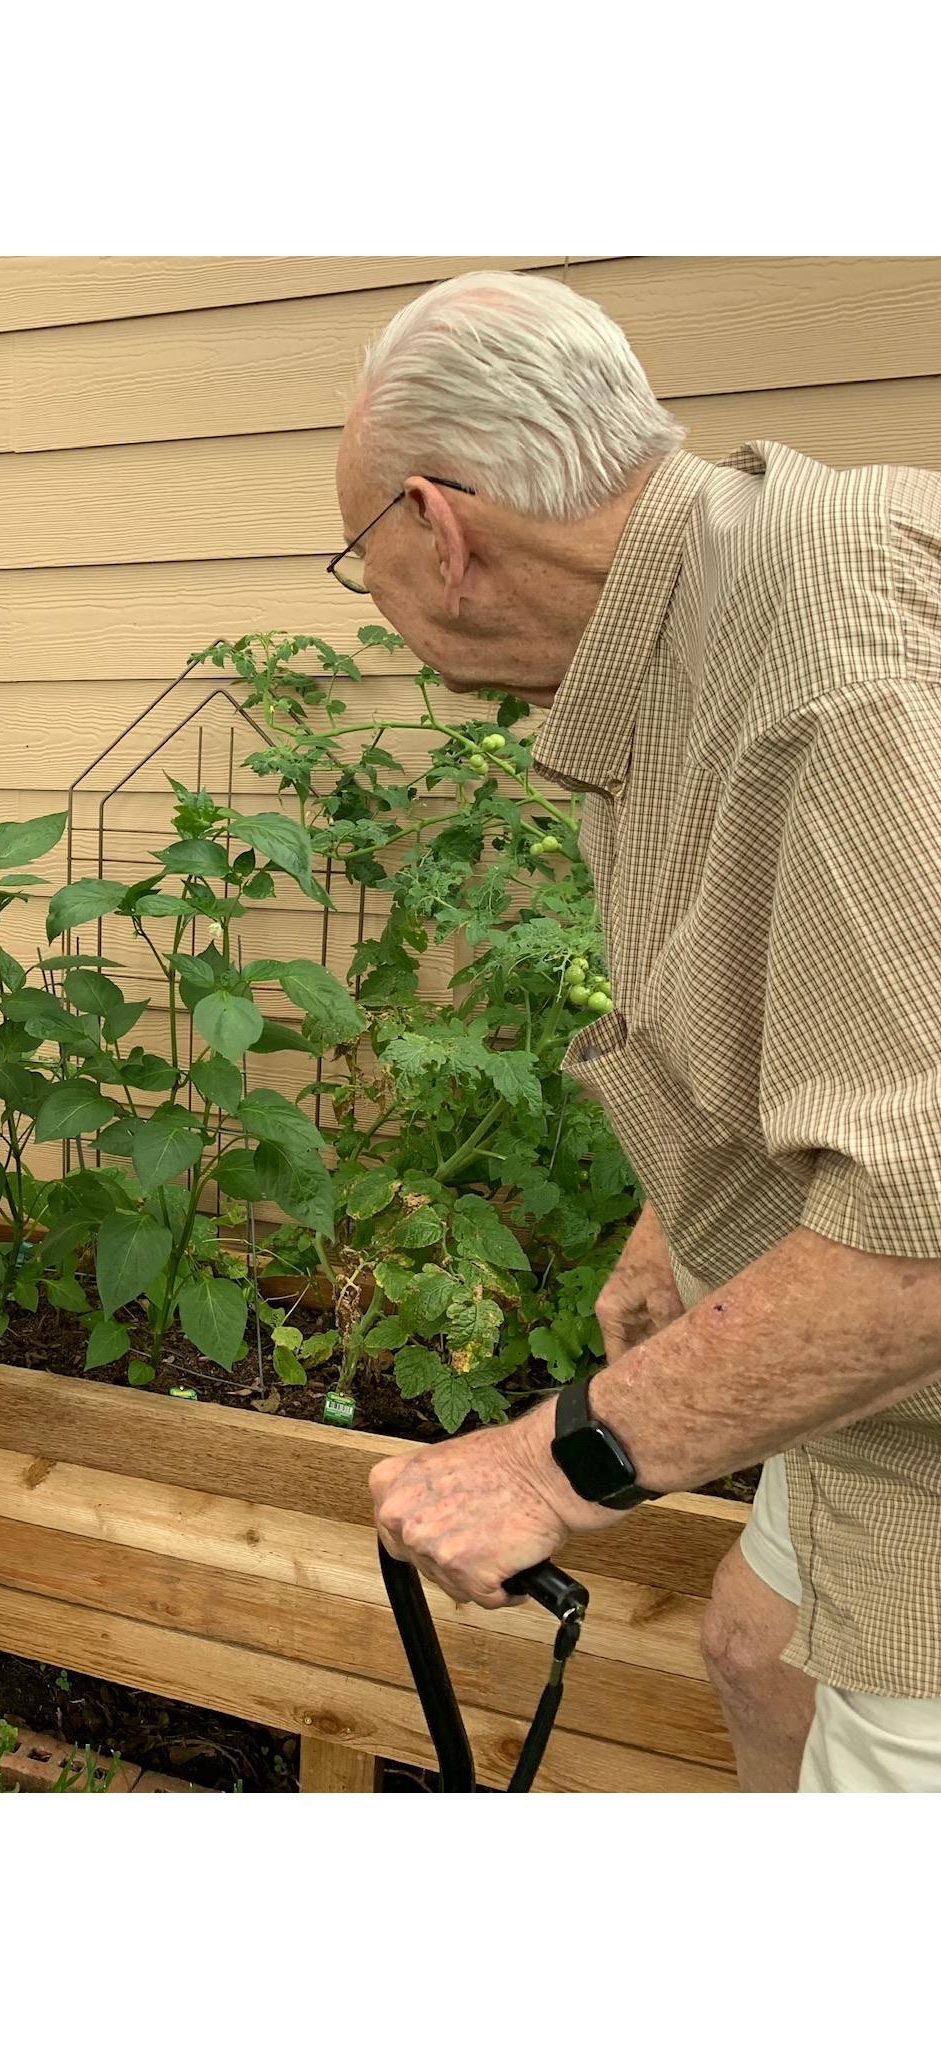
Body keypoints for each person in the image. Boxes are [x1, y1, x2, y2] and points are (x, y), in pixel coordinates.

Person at [336, 271, 941, 1792]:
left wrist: (555, 1464)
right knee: (755, 1646)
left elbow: (925, 1233)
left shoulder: (837, 672)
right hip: (889, 1412)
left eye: (361, 560)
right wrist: (680, 1216)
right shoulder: (702, 616)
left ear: (438, 525)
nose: (378, 601)